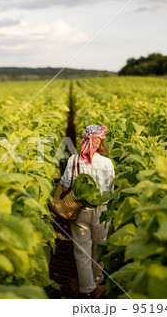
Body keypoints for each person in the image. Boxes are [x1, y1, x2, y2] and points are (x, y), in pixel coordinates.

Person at [60, 125, 115, 299]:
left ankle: (86, 289)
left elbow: (64, 186)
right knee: (100, 248)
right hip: (102, 210)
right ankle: (97, 284)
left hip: (79, 209)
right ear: (100, 142)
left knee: (82, 251)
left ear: (84, 139)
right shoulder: (107, 163)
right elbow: (112, 188)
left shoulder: (74, 160)